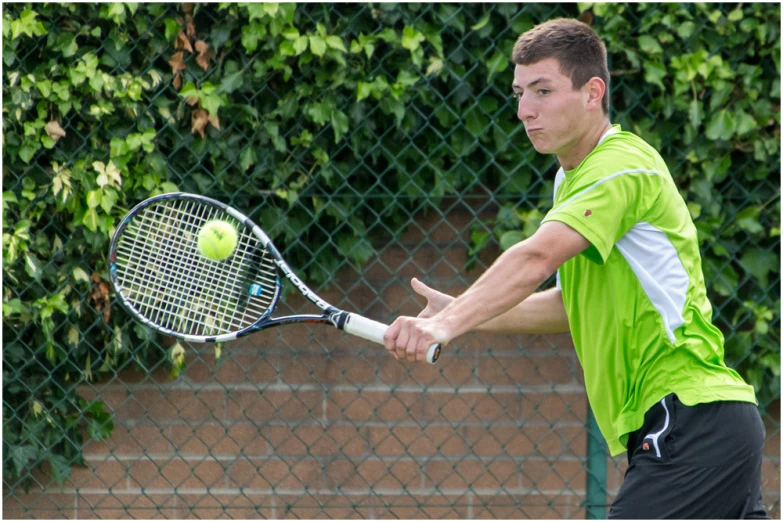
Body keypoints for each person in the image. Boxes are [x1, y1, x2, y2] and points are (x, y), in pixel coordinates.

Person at [383, 18, 769, 519]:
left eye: (543, 91)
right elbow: (570, 305)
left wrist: (443, 324)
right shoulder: (571, 180)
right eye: (520, 93)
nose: (525, 110)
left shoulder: (621, 165)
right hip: (700, 424)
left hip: (688, 416)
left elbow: (536, 257)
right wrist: (462, 311)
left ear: (593, 93)